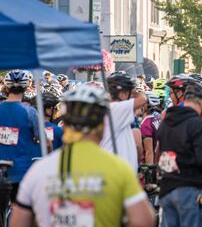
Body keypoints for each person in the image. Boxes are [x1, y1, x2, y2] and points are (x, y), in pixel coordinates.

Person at [12, 83, 155, 227]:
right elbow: (144, 221)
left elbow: (18, 223)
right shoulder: (120, 169)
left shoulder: (38, 171)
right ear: (102, 125)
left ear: (65, 123)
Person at [157, 82, 202, 226]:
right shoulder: (197, 124)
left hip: (167, 189)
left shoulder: (166, 122)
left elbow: (159, 153)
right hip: (191, 188)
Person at [0, 70, 40, 214]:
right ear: (26, 87)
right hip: (20, 170)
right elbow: (38, 137)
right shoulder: (30, 112)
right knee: (23, 211)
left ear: (7, 86)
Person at [100, 71, 147, 171]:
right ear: (122, 95)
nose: (133, 96)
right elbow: (142, 99)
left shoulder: (113, 109)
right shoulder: (116, 108)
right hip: (115, 173)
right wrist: (141, 90)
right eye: (131, 93)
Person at [140, 91, 163, 166]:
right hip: (159, 160)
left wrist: (149, 170)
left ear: (147, 104)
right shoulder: (158, 117)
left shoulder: (146, 123)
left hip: (151, 162)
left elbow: (149, 152)